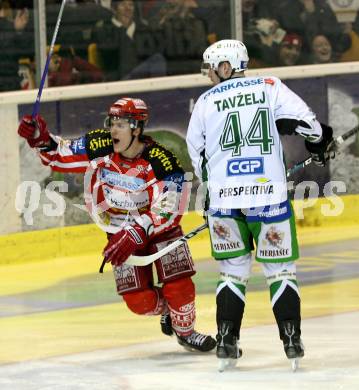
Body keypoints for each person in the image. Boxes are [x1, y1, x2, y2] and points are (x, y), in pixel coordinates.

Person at [18, 97, 216, 353]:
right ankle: (168, 309)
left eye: (121, 124)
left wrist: (139, 229)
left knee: (179, 286)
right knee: (139, 302)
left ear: (137, 128)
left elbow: (172, 205)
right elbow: (60, 155)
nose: (113, 129)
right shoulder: (99, 144)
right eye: (112, 122)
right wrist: (40, 138)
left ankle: (186, 332)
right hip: (119, 233)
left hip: (158, 231)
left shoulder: (161, 158)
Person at [186, 39, 335, 370]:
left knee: (233, 272)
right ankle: (292, 340)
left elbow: (197, 153)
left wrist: (215, 188)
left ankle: (226, 341)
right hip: (268, 198)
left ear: (225, 67)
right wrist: (319, 142)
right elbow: (308, 124)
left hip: (224, 202)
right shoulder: (269, 86)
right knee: (280, 272)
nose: (210, 76)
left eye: (212, 69)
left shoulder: (205, 102)